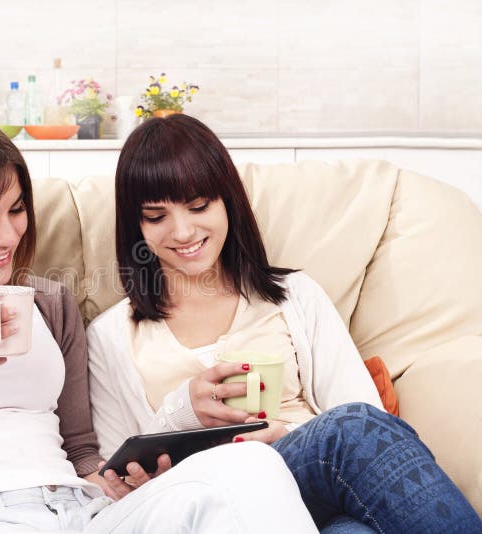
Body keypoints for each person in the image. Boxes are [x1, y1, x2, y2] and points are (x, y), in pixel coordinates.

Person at [0, 112, 319, 534]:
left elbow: (80, 449)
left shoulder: (50, 304)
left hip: (79, 513)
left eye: (15, 211)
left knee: (247, 466)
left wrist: (115, 480)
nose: (7, 235)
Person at [87, 114, 482, 533]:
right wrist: (181, 413)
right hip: (211, 499)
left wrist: (283, 435)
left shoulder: (295, 295)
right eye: (156, 215)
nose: (183, 231)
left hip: (309, 478)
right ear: (136, 225)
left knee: (353, 470)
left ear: (228, 201)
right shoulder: (111, 335)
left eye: (199, 206)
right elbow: (115, 476)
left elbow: (365, 417)